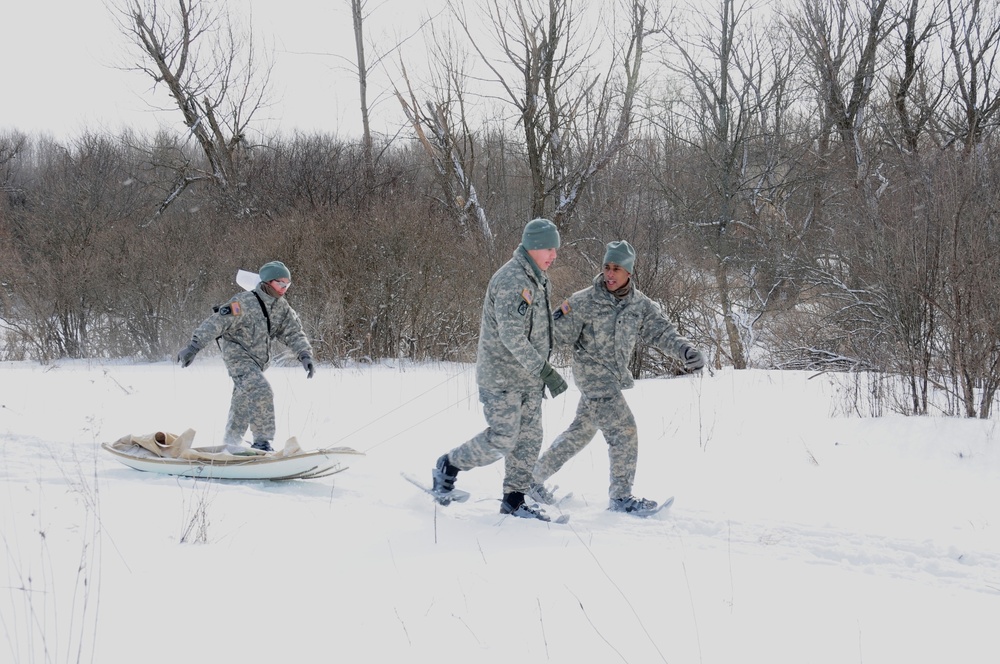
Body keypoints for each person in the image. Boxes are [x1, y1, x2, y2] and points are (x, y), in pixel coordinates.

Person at [533, 240, 704, 515]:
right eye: (607, 267)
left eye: (617, 269)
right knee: (624, 432)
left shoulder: (640, 305)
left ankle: (531, 479)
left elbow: (662, 332)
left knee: (580, 433)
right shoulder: (583, 301)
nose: (610, 274)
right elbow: (552, 335)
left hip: (612, 379)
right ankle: (622, 498)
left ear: (629, 273)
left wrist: (685, 350)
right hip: (593, 378)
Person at [430, 218, 569, 521]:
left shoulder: (538, 279)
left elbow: (539, 328)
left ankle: (514, 500)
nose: (553, 255)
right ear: (532, 247)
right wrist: (546, 371)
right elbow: (512, 336)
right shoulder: (511, 280)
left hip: (529, 379)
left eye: (555, 249)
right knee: (504, 437)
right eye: (548, 248)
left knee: (530, 439)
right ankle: (449, 465)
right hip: (502, 378)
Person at [176, 261, 316, 453]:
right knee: (261, 390)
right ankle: (262, 442)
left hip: (258, 363)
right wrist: (193, 346)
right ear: (267, 282)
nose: (284, 288)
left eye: (287, 284)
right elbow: (216, 323)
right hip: (238, 358)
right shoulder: (243, 303)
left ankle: (231, 444)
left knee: (242, 403)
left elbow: (294, 332)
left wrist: (305, 354)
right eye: (280, 283)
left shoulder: (282, 307)